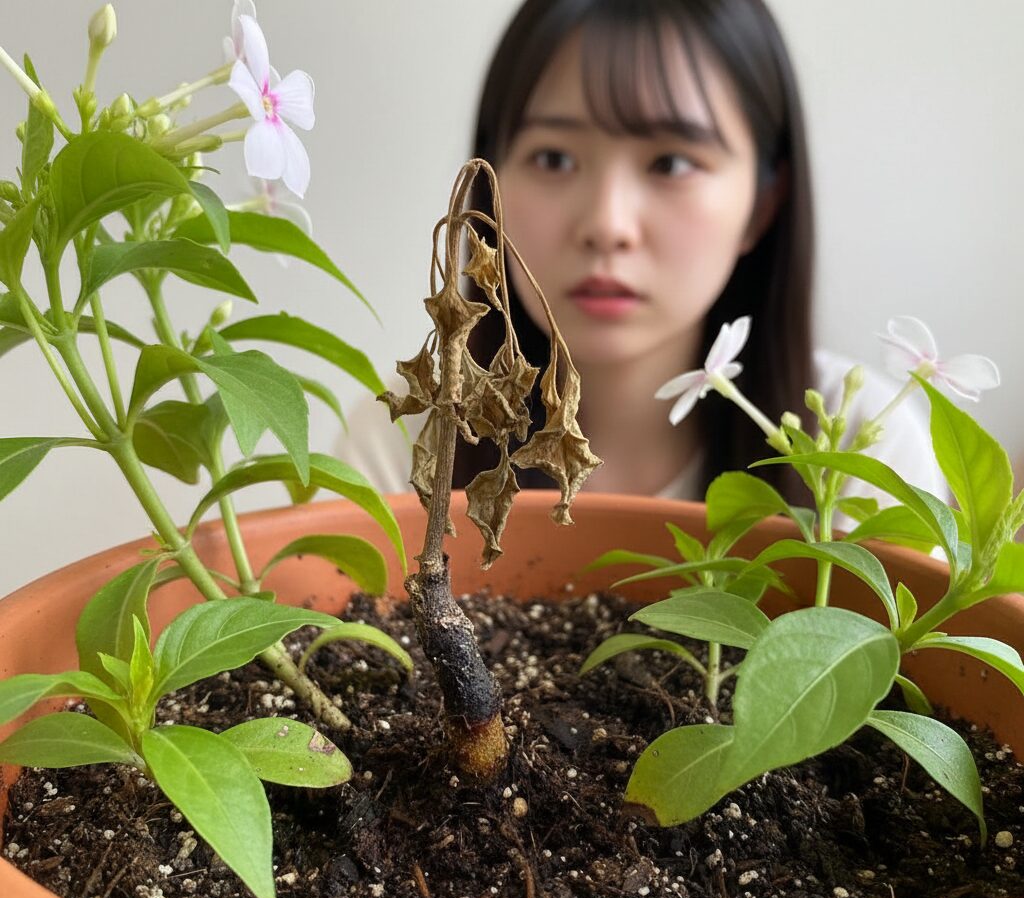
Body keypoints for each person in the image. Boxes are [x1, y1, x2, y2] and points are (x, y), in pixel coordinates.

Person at [339, 0, 945, 513]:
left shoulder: (863, 444)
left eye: (671, 163)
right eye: (554, 158)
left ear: (763, 204)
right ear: (486, 193)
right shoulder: (407, 432)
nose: (607, 225)